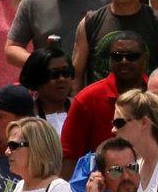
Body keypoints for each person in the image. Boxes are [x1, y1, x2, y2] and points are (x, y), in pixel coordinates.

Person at [58, 33, 147, 178]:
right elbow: (69, 156)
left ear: (144, 58)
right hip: (101, 190)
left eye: (132, 56)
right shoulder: (87, 99)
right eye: (117, 56)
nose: (124, 61)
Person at [19, 46, 74, 134]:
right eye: (54, 74)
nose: (62, 79)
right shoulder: (27, 116)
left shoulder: (81, 108)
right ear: (37, 78)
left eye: (66, 73)